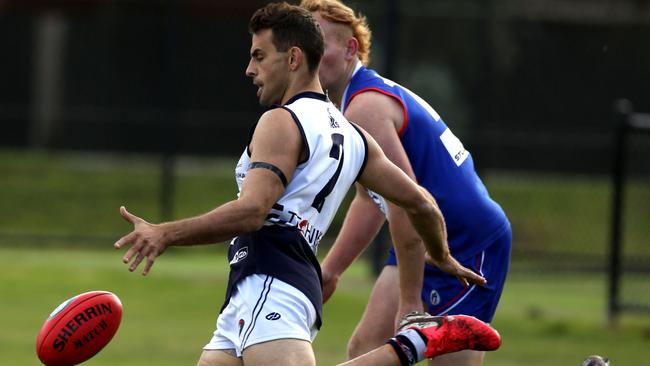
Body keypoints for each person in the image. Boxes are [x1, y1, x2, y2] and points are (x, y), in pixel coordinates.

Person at [114, 3, 500, 366]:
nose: (250, 69)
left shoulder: (281, 121)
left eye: (259, 56)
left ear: (294, 58)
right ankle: (413, 344)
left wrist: (165, 233)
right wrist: (441, 253)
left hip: (272, 277)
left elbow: (253, 211)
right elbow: (422, 204)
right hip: (263, 283)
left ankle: (412, 345)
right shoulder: (355, 137)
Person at [299, 1, 513, 366]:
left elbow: (405, 200)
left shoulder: (363, 106)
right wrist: (331, 270)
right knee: (365, 348)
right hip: (425, 240)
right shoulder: (353, 102)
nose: (310, 55)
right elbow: (371, 200)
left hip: (467, 244)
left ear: (351, 49)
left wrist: (410, 302)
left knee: (439, 361)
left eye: (321, 44)